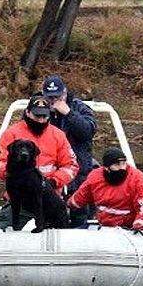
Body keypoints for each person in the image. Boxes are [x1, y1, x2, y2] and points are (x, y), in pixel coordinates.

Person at [0, 93, 78, 229]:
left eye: (44, 116)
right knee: (2, 229)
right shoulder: (12, 134)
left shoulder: (58, 136)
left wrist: (53, 181)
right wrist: (11, 172)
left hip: (48, 197)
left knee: (63, 227)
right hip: (18, 200)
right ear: (27, 112)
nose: (41, 120)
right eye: (37, 116)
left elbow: (71, 166)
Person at [41, 75, 97, 227]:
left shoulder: (80, 108)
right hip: (50, 173)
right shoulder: (38, 109)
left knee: (79, 212)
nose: (53, 101)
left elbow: (87, 131)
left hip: (78, 172)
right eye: (49, 97)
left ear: (64, 94)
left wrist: (69, 114)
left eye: (57, 97)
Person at [67, 147, 143, 231]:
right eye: (117, 165)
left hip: (127, 227)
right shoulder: (95, 177)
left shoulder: (138, 180)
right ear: (106, 167)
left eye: (123, 163)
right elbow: (81, 196)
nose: (122, 168)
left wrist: (139, 226)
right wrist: (68, 204)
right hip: (105, 225)